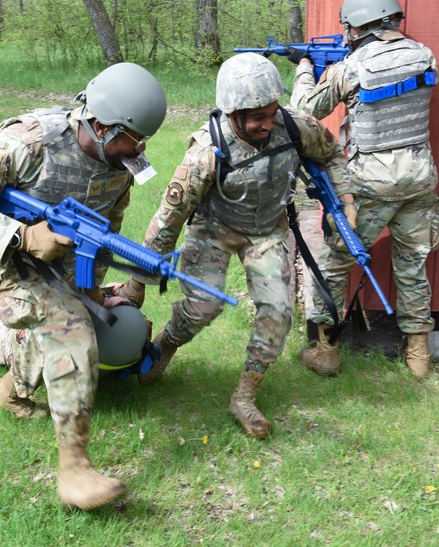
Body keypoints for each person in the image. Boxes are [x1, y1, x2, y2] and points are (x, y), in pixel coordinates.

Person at [0, 62, 167, 510]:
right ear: (100, 125)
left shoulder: (120, 162)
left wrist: (95, 290)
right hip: (8, 260)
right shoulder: (27, 144)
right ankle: (75, 471)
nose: (138, 150)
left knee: (94, 324)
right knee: (71, 327)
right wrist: (23, 236)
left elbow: (106, 231)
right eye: (132, 139)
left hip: (62, 263)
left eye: (143, 141)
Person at [113, 52, 351, 439]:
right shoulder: (206, 153)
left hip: (268, 230)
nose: (267, 123)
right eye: (257, 117)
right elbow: (168, 218)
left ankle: (244, 396)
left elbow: (331, 155)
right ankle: (167, 344)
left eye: (272, 113)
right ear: (233, 114)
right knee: (202, 308)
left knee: (278, 309)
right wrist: (137, 282)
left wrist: (347, 202)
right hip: (214, 229)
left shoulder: (295, 126)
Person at [289, 0, 439, 378]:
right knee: (412, 265)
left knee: (338, 261)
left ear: (355, 26)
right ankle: (419, 357)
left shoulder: (350, 68)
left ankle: (326, 351)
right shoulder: (424, 55)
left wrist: (306, 70)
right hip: (420, 177)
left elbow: (304, 110)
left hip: (370, 184)